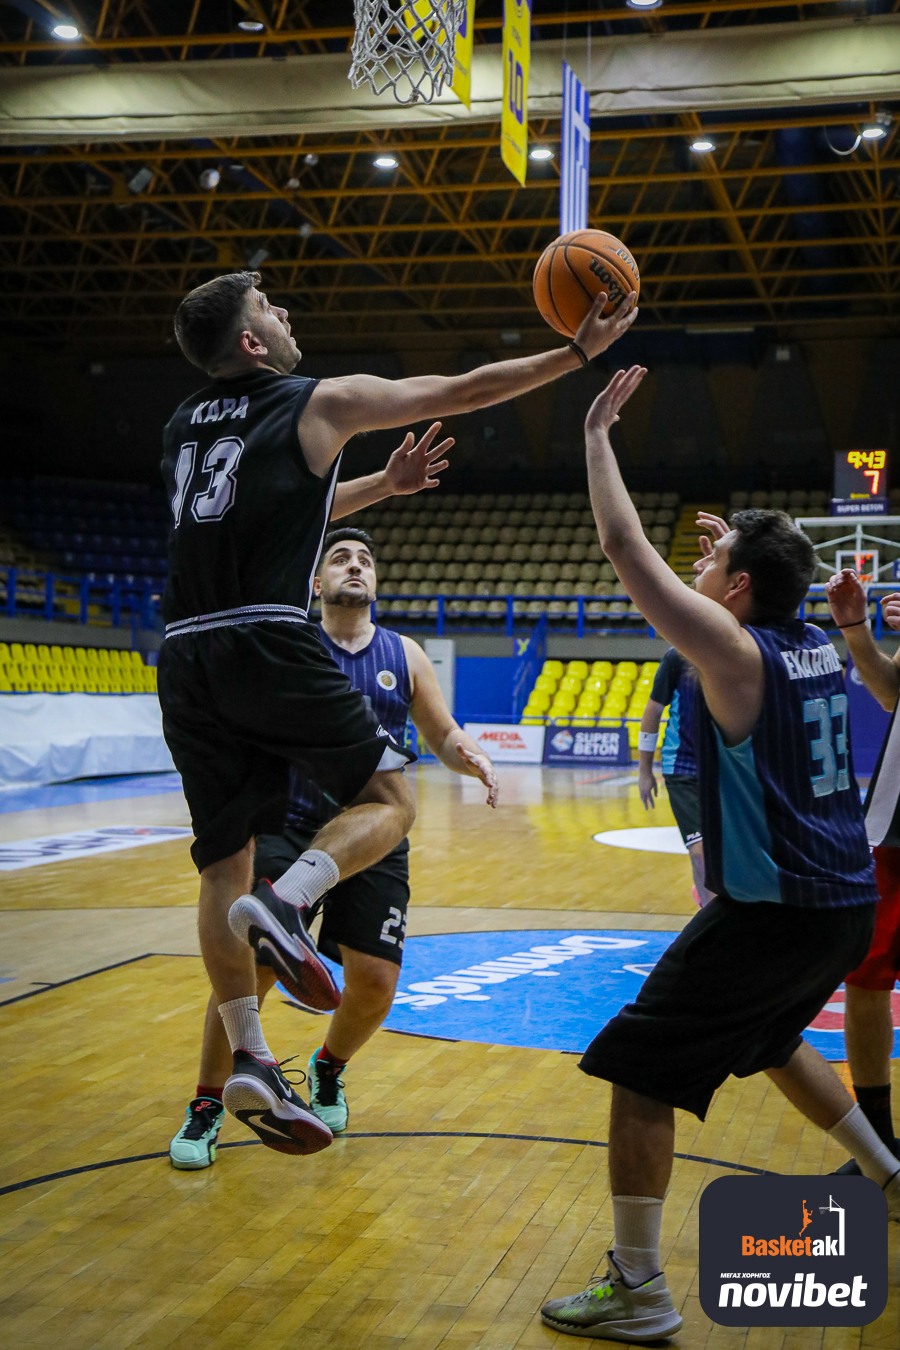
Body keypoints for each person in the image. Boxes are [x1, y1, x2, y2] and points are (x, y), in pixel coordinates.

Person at [159, 269, 634, 1157]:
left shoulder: (182, 428)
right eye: (270, 306)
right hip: (266, 636)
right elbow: (463, 390)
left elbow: (282, 512)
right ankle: (292, 901)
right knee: (393, 798)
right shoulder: (320, 398)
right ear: (253, 344)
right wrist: (575, 352)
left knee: (223, 867)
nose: (286, 310)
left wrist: (380, 485)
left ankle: (254, 1059)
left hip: (185, 654)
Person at [540, 367, 900, 1344]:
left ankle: (640, 1286)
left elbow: (622, 547)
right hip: (842, 904)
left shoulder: (736, 655)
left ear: (737, 591)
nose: (698, 568)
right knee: (771, 1041)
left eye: (715, 567)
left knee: (637, 1065)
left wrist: (597, 436)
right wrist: (731, 571)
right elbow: (750, 595)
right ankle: (889, 1175)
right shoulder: (811, 639)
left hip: (775, 913)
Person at [169, 526, 498, 1168]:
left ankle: (328, 1068)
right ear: (315, 583)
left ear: (375, 583)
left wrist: (473, 757)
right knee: (250, 966)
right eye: (341, 558)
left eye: (366, 560)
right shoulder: (289, 645)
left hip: (372, 833)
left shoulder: (405, 654)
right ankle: (208, 1102)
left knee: (374, 982)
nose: (356, 565)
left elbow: (442, 732)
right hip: (292, 822)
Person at [824, 569, 900, 1165]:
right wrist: (856, 631)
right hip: (892, 833)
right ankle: (878, 1141)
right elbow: (891, 689)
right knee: (867, 980)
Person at [637, 646, 714, 907]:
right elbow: (652, 711)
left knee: (726, 852)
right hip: (683, 767)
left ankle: (708, 896)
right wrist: (645, 770)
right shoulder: (677, 656)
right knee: (701, 853)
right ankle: (709, 915)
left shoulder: (739, 647)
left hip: (726, 767)